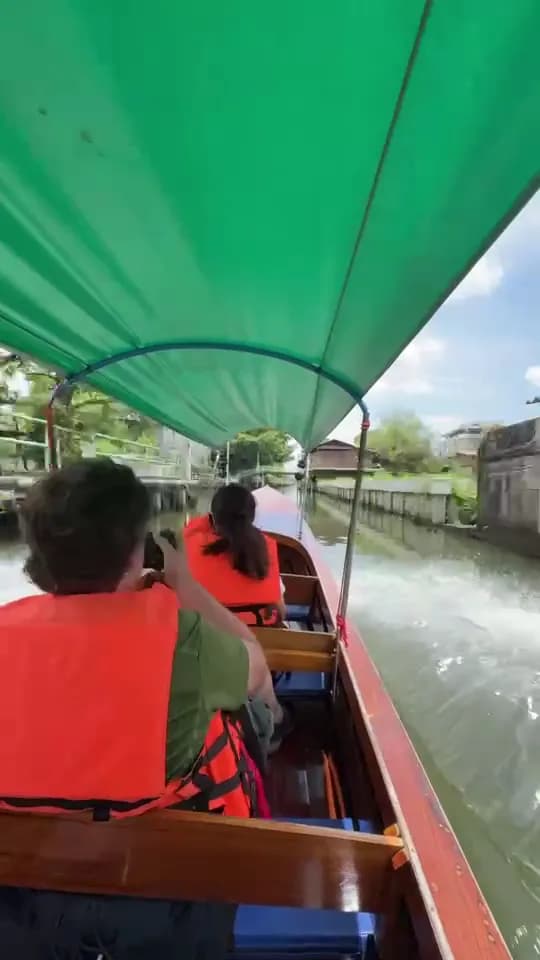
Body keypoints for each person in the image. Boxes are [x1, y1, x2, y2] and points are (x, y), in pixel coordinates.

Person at [0, 459, 278, 959]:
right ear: (136, 549)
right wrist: (183, 586)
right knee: (238, 716)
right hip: (166, 899)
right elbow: (257, 669)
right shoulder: (183, 639)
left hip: (21, 901)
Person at [185, 484, 285, 627]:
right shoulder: (263, 551)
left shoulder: (191, 548)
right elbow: (282, 610)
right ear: (251, 518)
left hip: (206, 635)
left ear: (212, 519)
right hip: (258, 634)